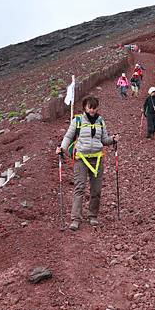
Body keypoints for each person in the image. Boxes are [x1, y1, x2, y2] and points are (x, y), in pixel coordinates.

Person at [56, 96, 119, 230]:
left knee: (96, 190)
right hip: (81, 159)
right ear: (85, 107)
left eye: (94, 107)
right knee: (79, 188)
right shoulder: (77, 120)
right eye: (90, 107)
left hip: (97, 159)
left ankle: (93, 215)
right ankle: (75, 218)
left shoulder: (100, 121)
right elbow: (68, 136)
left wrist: (112, 139)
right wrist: (62, 148)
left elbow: (104, 140)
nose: (92, 109)